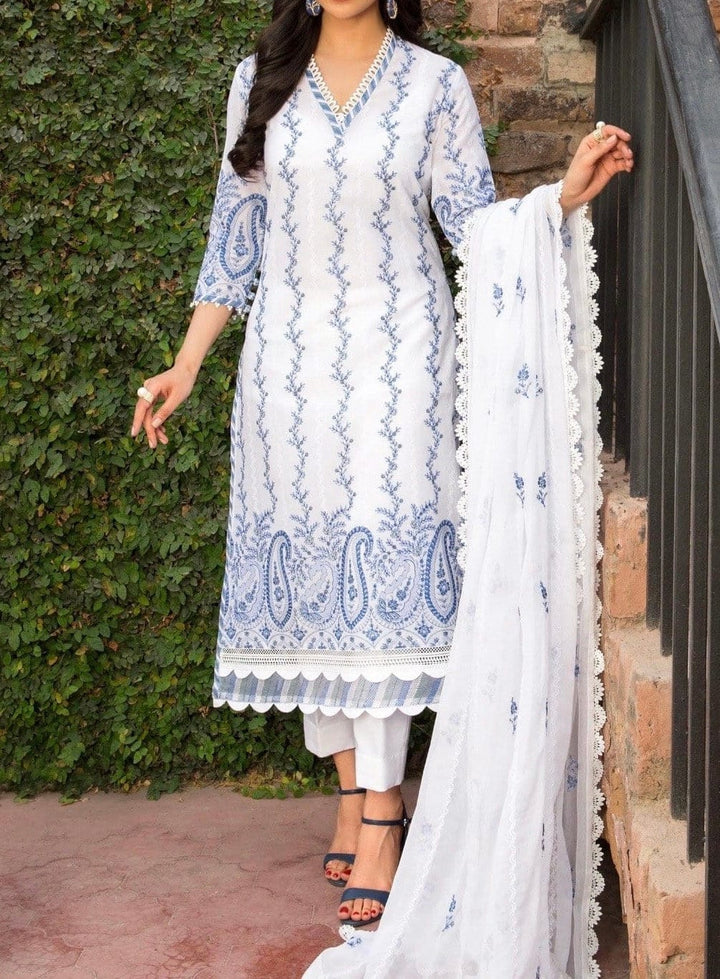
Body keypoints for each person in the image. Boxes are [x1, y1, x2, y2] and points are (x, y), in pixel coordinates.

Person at [131, 0, 632, 961]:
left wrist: (557, 201)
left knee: (384, 591)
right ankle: (354, 788)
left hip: (401, 362)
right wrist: (187, 364)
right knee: (320, 589)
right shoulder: (260, 82)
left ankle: (384, 814)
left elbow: (473, 227)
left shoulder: (433, 86)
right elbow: (235, 233)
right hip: (288, 368)